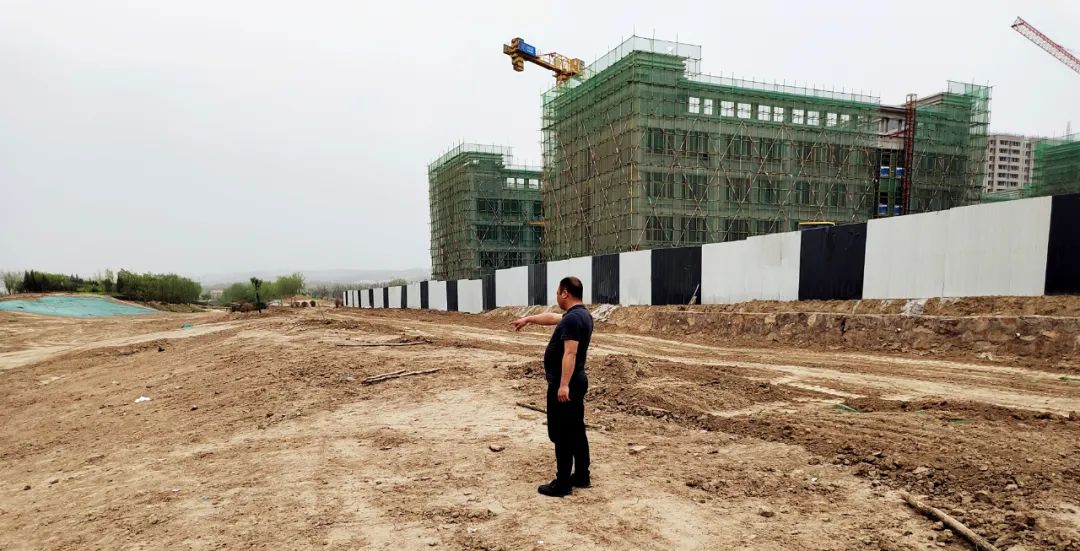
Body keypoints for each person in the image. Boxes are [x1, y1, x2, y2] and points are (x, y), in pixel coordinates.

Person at [511, 276, 593, 497]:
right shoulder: (579, 315)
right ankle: (582, 476)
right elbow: (553, 318)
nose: (556, 296)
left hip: (566, 383)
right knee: (576, 429)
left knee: (562, 433)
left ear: (565, 293)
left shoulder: (573, 320)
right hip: (575, 380)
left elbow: (570, 352)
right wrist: (528, 319)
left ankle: (563, 483)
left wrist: (563, 385)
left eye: (558, 292)